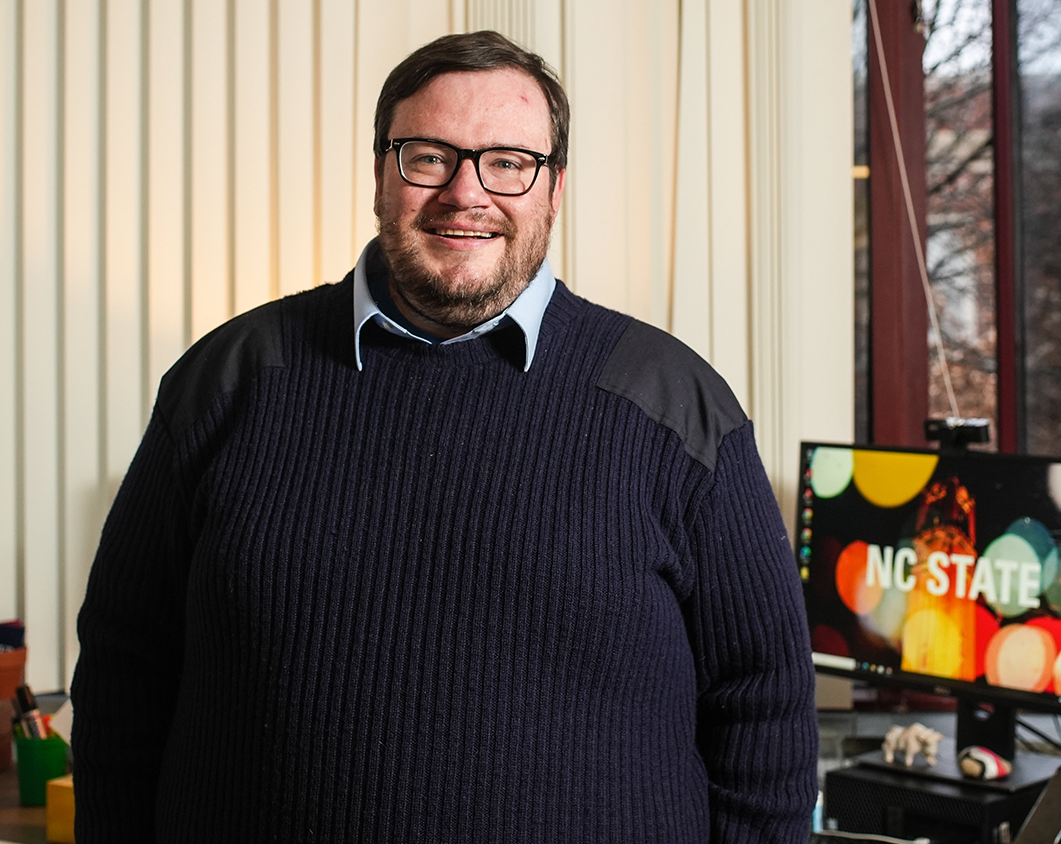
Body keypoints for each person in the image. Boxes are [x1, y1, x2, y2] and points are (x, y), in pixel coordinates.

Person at [72, 29, 818, 844]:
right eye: (428, 156)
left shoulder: (675, 406)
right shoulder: (228, 381)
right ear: (380, 175)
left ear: (554, 190)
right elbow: (124, 671)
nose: (467, 193)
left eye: (508, 162)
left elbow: (765, 705)